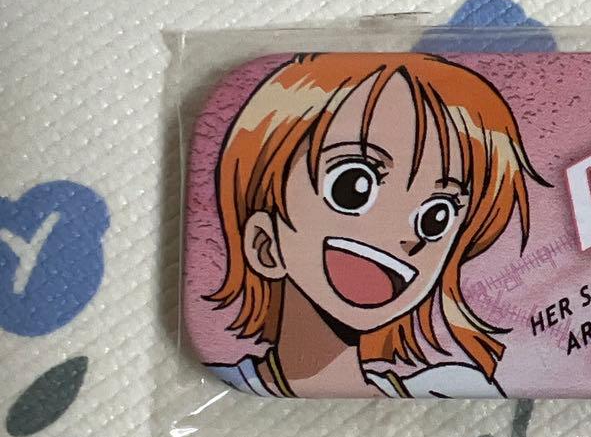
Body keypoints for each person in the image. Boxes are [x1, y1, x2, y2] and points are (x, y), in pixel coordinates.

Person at [206, 52, 545, 398]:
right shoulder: (231, 385)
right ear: (265, 245)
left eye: (435, 217)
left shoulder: (447, 391)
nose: (404, 235)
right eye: (353, 187)